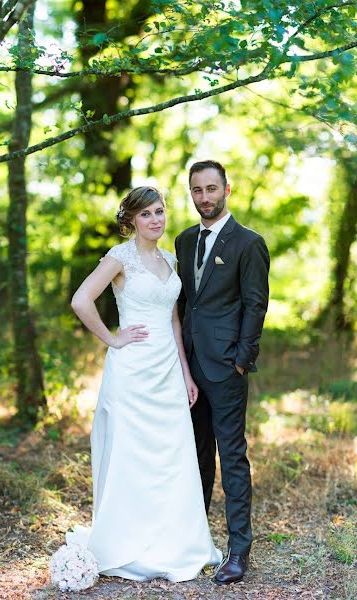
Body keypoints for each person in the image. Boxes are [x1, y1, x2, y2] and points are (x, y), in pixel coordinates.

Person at [69, 186, 222, 582]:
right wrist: (113, 338)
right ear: (132, 220)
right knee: (131, 454)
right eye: (147, 214)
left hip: (168, 370)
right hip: (132, 370)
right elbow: (81, 300)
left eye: (160, 212)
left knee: (172, 455)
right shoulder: (119, 258)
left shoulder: (171, 260)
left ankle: (176, 543)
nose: (156, 220)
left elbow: (174, 321)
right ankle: (126, 542)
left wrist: (187, 374)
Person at [175, 160, 270, 585]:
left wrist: (241, 360)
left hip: (227, 367)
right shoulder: (182, 240)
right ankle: (195, 543)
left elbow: (256, 304)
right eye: (197, 190)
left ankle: (238, 551)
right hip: (187, 368)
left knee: (231, 457)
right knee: (194, 458)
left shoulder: (248, 243)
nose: (205, 198)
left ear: (227, 189)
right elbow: (184, 303)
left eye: (212, 189)